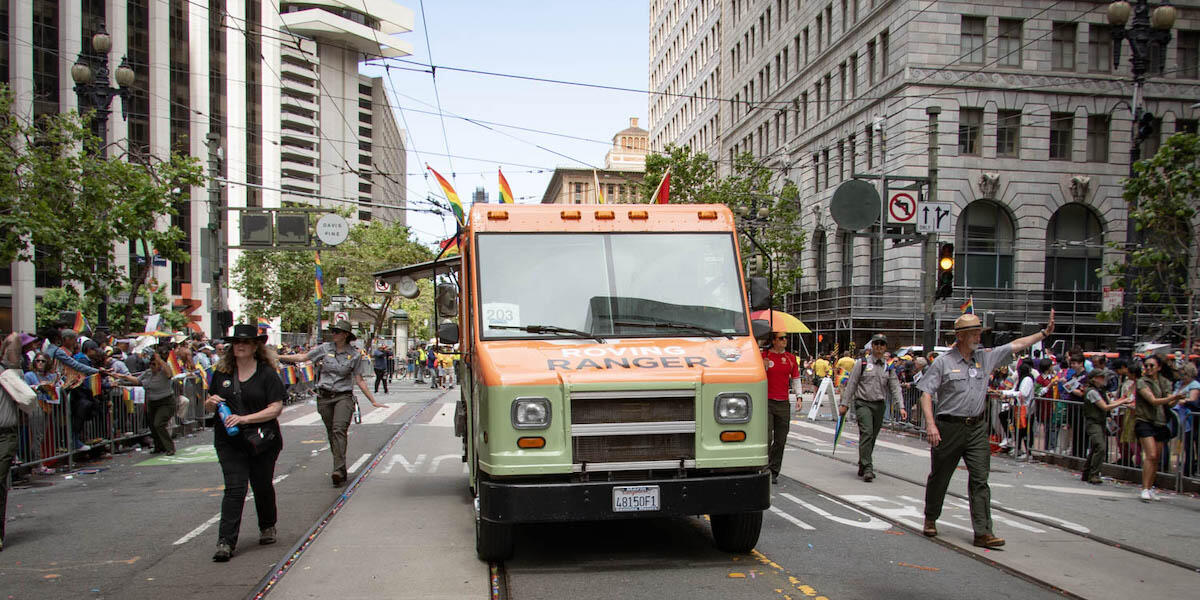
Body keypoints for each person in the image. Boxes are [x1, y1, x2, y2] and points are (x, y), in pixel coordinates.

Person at [917, 310, 1055, 549]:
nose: (978, 336)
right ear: (960, 336)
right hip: (949, 427)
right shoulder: (943, 362)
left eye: (979, 332)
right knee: (940, 476)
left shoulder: (986, 357)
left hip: (977, 428)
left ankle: (983, 531)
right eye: (973, 332)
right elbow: (926, 393)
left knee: (980, 479)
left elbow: (1016, 345)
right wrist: (930, 424)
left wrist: (1043, 334)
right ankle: (931, 517)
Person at [203, 324, 285, 562]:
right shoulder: (222, 373)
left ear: (255, 346)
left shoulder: (267, 373)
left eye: (245, 342)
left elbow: (276, 408)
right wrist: (211, 404)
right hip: (230, 440)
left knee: (261, 484)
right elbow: (211, 403)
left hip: (262, 440)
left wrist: (245, 418)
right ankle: (225, 542)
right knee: (235, 488)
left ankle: (267, 525)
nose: (240, 346)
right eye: (236, 342)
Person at [278, 320, 384, 486]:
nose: (333, 334)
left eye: (337, 331)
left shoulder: (355, 355)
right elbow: (303, 357)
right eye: (333, 331)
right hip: (325, 397)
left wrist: (373, 401)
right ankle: (339, 465)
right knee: (331, 432)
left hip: (343, 396)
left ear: (345, 335)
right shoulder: (324, 349)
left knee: (339, 430)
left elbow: (359, 379)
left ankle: (339, 469)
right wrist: (278, 356)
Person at [837, 334, 905, 482]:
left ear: (885, 347)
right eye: (876, 344)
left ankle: (863, 462)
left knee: (871, 436)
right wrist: (844, 404)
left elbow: (895, 387)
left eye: (882, 344)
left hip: (879, 405)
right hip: (863, 403)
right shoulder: (861, 363)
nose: (879, 347)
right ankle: (868, 467)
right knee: (867, 432)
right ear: (872, 346)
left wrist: (901, 406)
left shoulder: (889, 366)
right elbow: (852, 384)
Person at [1133, 354, 1183, 502]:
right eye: (1146, 366)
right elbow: (1153, 401)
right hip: (1145, 421)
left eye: (1151, 366)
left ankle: (1150, 486)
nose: (1148, 368)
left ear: (1159, 367)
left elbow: (1169, 404)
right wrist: (1173, 398)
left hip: (1160, 422)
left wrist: (1175, 400)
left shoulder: (1165, 382)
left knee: (1156, 458)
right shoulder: (1142, 382)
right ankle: (1144, 488)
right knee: (1151, 454)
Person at [113, 345, 178, 455]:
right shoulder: (148, 373)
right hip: (152, 402)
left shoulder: (164, 372)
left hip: (166, 402)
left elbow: (169, 373)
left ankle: (169, 447)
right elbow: (137, 380)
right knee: (152, 425)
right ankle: (159, 446)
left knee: (159, 423)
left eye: (154, 364)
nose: (152, 366)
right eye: (150, 364)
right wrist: (121, 376)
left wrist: (159, 360)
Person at [762, 332, 801, 484]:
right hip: (766, 402)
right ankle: (763, 468)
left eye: (785, 338)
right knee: (766, 437)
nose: (784, 340)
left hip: (783, 402)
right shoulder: (763, 356)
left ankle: (773, 470)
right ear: (773, 341)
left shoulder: (791, 359)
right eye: (781, 338)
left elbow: (796, 378)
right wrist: (762, 367)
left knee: (781, 439)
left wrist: (799, 397)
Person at [1081, 369, 1129, 484]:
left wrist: (1122, 400)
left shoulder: (1100, 391)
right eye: (1101, 377)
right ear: (1094, 379)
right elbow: (1105, 407)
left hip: (1100, 422)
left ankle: (1087, 472)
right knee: (1100, 447)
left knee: (1095, 448)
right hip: (1093, 423)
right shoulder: (1092, 392)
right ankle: (1094, 474)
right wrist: (1122, 402)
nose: (1104, 380)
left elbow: (1109, 403)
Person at [1002, 362, 1037, 458]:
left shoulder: (1027, 380)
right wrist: (1003, 392)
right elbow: (1014, 390)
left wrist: (1011, 394)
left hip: (1026, 409)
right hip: (1019, 408)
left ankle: (1028, 452)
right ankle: (1018, 448)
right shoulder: (1020, 380)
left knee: (1025, 430)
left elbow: (1023, 393)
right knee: (1018, 428)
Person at [1176, 362, 1200, 477]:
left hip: (1191, 420)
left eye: (1184, 374)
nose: (1182, 376)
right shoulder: (1179, 384)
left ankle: (1190, 469)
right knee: (1186, 445)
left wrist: (1184, 401)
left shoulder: (1194, 385)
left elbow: (1193, 400)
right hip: (1179, 418)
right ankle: (1188, 468)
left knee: (1191, 445)